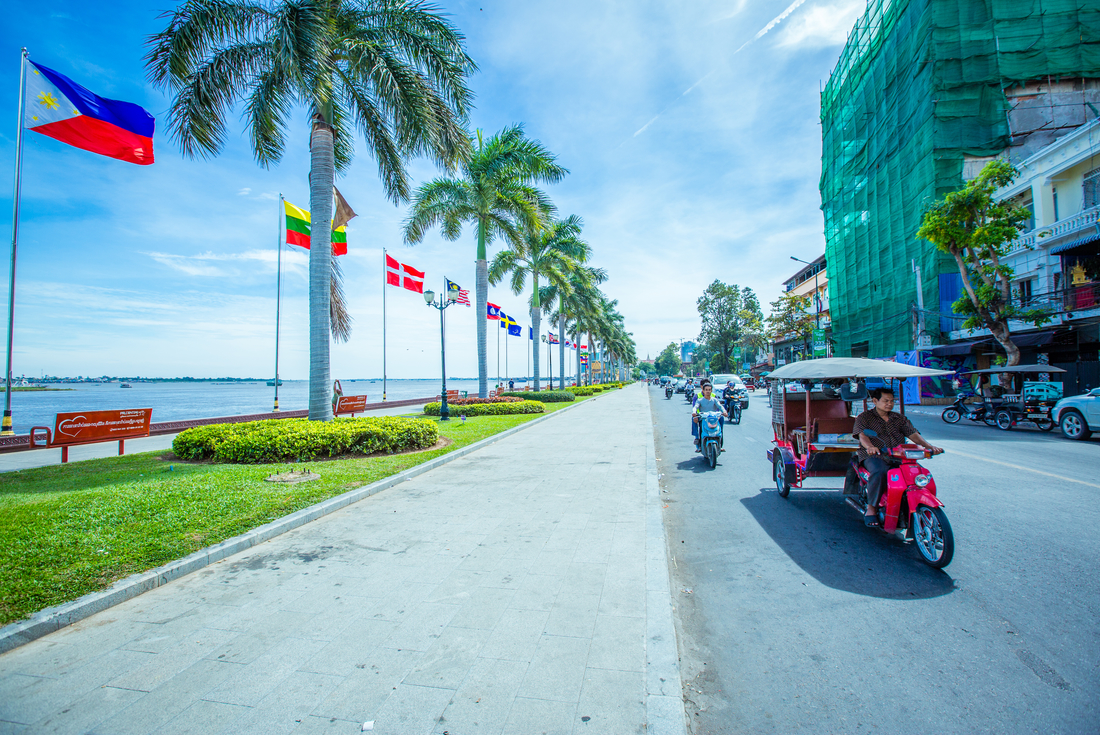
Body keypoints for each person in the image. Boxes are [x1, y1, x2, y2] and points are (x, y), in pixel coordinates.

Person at [852, 387, 943, 527]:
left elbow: (913, 435)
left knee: (918, 473)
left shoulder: (899, 418)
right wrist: (870, 447)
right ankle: (872, 508)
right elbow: (862, 435)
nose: (889, 403)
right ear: (875, 401)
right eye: (886, 401)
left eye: (892, 401)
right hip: (875, 456)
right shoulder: (865, 418)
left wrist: (929, 447)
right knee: (880, 472)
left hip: (898, 455)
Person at [692, 381, 728, 453]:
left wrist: (724, 412)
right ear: (703, 391)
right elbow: (695, 406)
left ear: (711, 390)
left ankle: (720, 445)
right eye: (706, 390)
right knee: (699, 426)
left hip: (714, 418)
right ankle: (698, 442)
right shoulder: (700, 400)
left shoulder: (714, 400)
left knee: (720, 427)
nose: (708, 391)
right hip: (704, 419)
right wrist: (694, 412)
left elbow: (720, 406)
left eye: (709, 390)